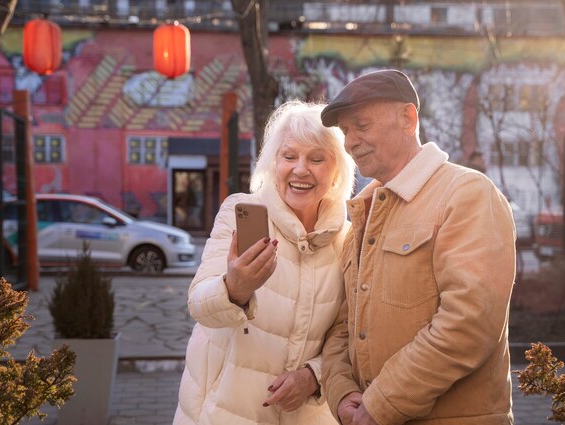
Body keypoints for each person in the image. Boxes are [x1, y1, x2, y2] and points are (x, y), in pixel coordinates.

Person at [319, 70, 516, 425]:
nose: (349, 142)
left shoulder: (466, 193)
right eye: (345, 131)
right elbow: (342, 327)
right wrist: (343, 393)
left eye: (360, 125)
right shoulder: (363, 216)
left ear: (408, 118)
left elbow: (468, 324)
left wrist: (379, 405)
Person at [173, 100, 356, 424]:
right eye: (289, 156)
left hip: (305, 416)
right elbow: (199, 305)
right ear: (274, 162)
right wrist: (234, 289)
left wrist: (314, 377)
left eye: (316, 159)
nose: (300, 169)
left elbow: (349, 337)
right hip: (224, 411)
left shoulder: (348, 239)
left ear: (337, 171)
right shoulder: (239, 212)